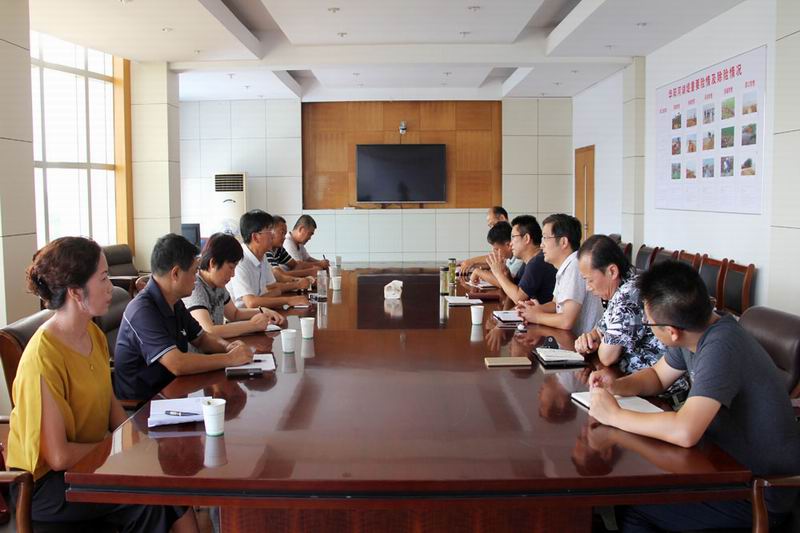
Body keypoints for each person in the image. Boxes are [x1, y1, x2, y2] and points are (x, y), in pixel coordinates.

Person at [588, 261, 800, 532]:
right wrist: (616, 385)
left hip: (758, 491)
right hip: (719, 463)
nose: (649, 327)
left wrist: (614, 415)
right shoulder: (695, 328)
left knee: (634, 506)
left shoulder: (720, 347)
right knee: (632, 490)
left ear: (672, 332)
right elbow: (657, 377)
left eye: (649, 323)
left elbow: (685, 431)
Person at [7, 236, 198, 532]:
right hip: (46, 486)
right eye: (104, 278)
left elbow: (110, 404)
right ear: (75, 292)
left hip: (90, 462)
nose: (111, 287)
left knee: (167, 479)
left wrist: (136, 442)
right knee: (150, 499)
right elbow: (58, 456)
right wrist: (119, 448)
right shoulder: (43, 357)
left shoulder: (92, 335)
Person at [114, 234, 254, 401]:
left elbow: (202, 338)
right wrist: (229, 358)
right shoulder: (142, 311)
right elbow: (177, 363)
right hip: (146, 404)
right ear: (175, 273)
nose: (196, 278)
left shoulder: (175, 302)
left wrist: (228, 347)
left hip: (175, 391)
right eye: (194, 272)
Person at [574, 234, 688, 397]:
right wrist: (590, 339)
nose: (587, 287)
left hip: (658, 393)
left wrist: (600, 340)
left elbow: (607, 357)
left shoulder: (629, 293)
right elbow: (599, 331)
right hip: (633, 381)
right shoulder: (624, 282)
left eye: (590, 280)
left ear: (612, 271)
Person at [183, 232, 286, 338]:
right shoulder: (194, 286)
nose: (233, 274)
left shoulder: (218, 285)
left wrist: (262, 310)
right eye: (231, 267)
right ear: (213, 263)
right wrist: (252, 325)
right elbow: (209, 331)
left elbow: (234, 314)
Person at [518, 214, 602, 335]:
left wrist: (536, 316)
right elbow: (556, 304)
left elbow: (566, 321)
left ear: (563, 242)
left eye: (545, 238)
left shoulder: (575, 266)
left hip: (583, 343)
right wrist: (535, 309)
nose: (541, 245)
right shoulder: (566, 265)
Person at [227, 210, 310, 310]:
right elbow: (251, 303)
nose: (273, 235)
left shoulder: (262, 256)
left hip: (261, 311)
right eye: (270, 231)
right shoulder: (240, 260)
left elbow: (274, 288)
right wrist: (288, 300)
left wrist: (295, 285)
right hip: (244, 316)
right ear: (255, 237)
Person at [487, 215, 556, 305]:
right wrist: (506, 273)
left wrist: (498, 274)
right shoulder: (528, 261)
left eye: (513, 237)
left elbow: (518, 298)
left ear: (526, 238)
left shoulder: (537, 262)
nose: (510, 243)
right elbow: (515, 288)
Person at [459, 206, 522, 276]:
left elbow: (496, 258)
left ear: (502, 218)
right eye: (490, 226)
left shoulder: (515, 237)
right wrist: (472, 265)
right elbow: (496, 262)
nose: (492, 228)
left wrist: (472, 263)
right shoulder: (503, 243)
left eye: (492, 224)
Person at [468, 222, 523, 287]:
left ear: (508, 245)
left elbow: (506, 284)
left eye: (496, 249)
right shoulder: (509, 259)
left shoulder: (519, 260)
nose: (494, 252)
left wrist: (479, 272)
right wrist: (486, 275)